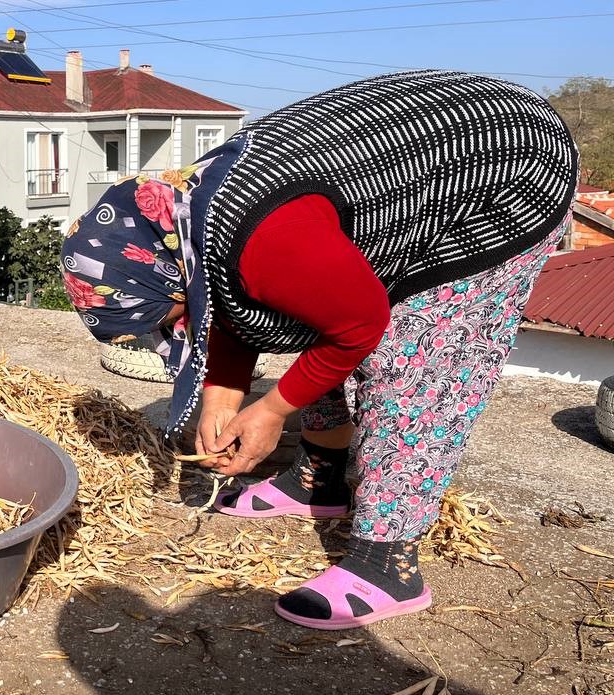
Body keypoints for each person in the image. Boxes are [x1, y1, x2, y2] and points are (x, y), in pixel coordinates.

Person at [61, 70, 577, 630]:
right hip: (402, 177)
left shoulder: (264, 240)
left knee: (415, 363)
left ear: (165, 274)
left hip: (509, 170)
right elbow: (226, 305)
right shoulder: (181, 221)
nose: (183, 327)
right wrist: (221, 399)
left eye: (173, 316)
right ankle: (323, 476)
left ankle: (388, 561)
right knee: (296, 312)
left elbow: (359, 326)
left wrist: (271, 411)